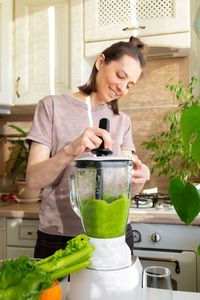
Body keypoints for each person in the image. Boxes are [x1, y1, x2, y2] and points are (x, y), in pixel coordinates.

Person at [25, 36, 150, 259]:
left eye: (129, 85)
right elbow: (33, 181)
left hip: (113, 235)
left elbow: (124, 189)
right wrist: (70, 149)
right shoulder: (51, 106)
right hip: (59, 236)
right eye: (120, 76)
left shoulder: (123, 121)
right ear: (100, 62)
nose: (122, 88)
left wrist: (139, 178)